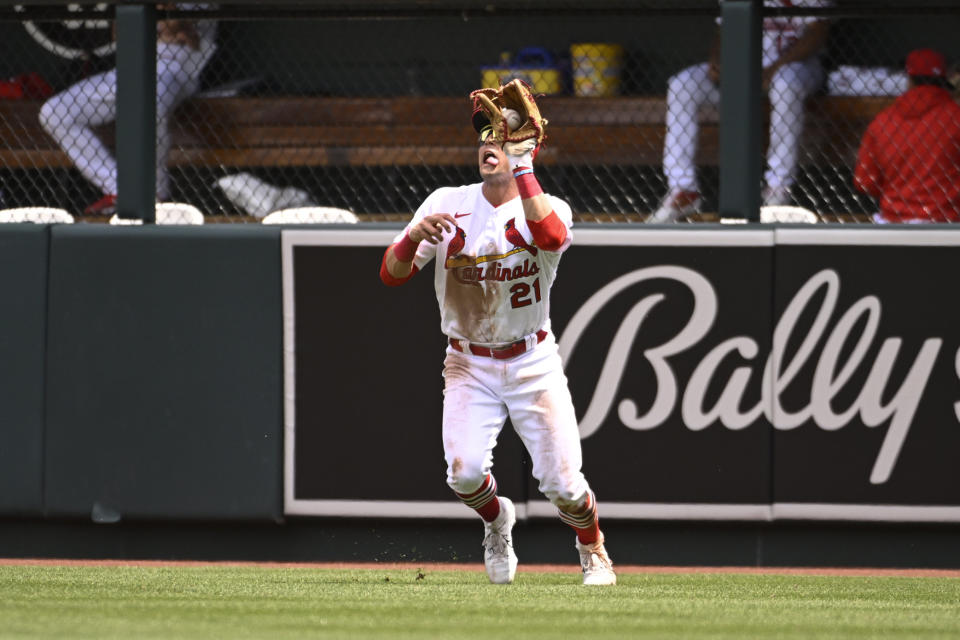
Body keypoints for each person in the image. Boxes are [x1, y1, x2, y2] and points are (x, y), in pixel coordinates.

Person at [378, 89, 616, 586]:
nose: (490, 143)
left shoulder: (550, 208)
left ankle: (592, 547)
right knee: (463, 474)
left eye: (504, 136)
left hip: (532, 361)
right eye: (486, 135)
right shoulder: (448, 202)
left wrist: (524, 164)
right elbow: (391, 274)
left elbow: (549, 238)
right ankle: (496, 522)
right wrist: (411, 237)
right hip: (468, 361)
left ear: (527, 148)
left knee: (564, 487)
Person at [648, 0, 832, 223]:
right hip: (742, 70)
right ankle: (683, 188)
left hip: (797, 67)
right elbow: (723, 30)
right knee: (682, 85)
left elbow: (817, 33)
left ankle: (778, 186)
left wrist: (773, 69)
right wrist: (718, 59)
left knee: (786, 85)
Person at [39, 4, 217, 216]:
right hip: (130, 66)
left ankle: (155, 192)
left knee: (152, 102)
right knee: (54, 112)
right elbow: (119, 34)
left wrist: (163, 23)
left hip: (175, 68)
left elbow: (179, 22)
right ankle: (120, 189)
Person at [854, 49, 960, 224]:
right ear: (943, 80)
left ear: (909, 80)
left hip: (893, 220)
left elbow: (864, 182)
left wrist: (901, 192)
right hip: (946, 223)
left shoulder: (883, 121)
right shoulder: (955, 117)